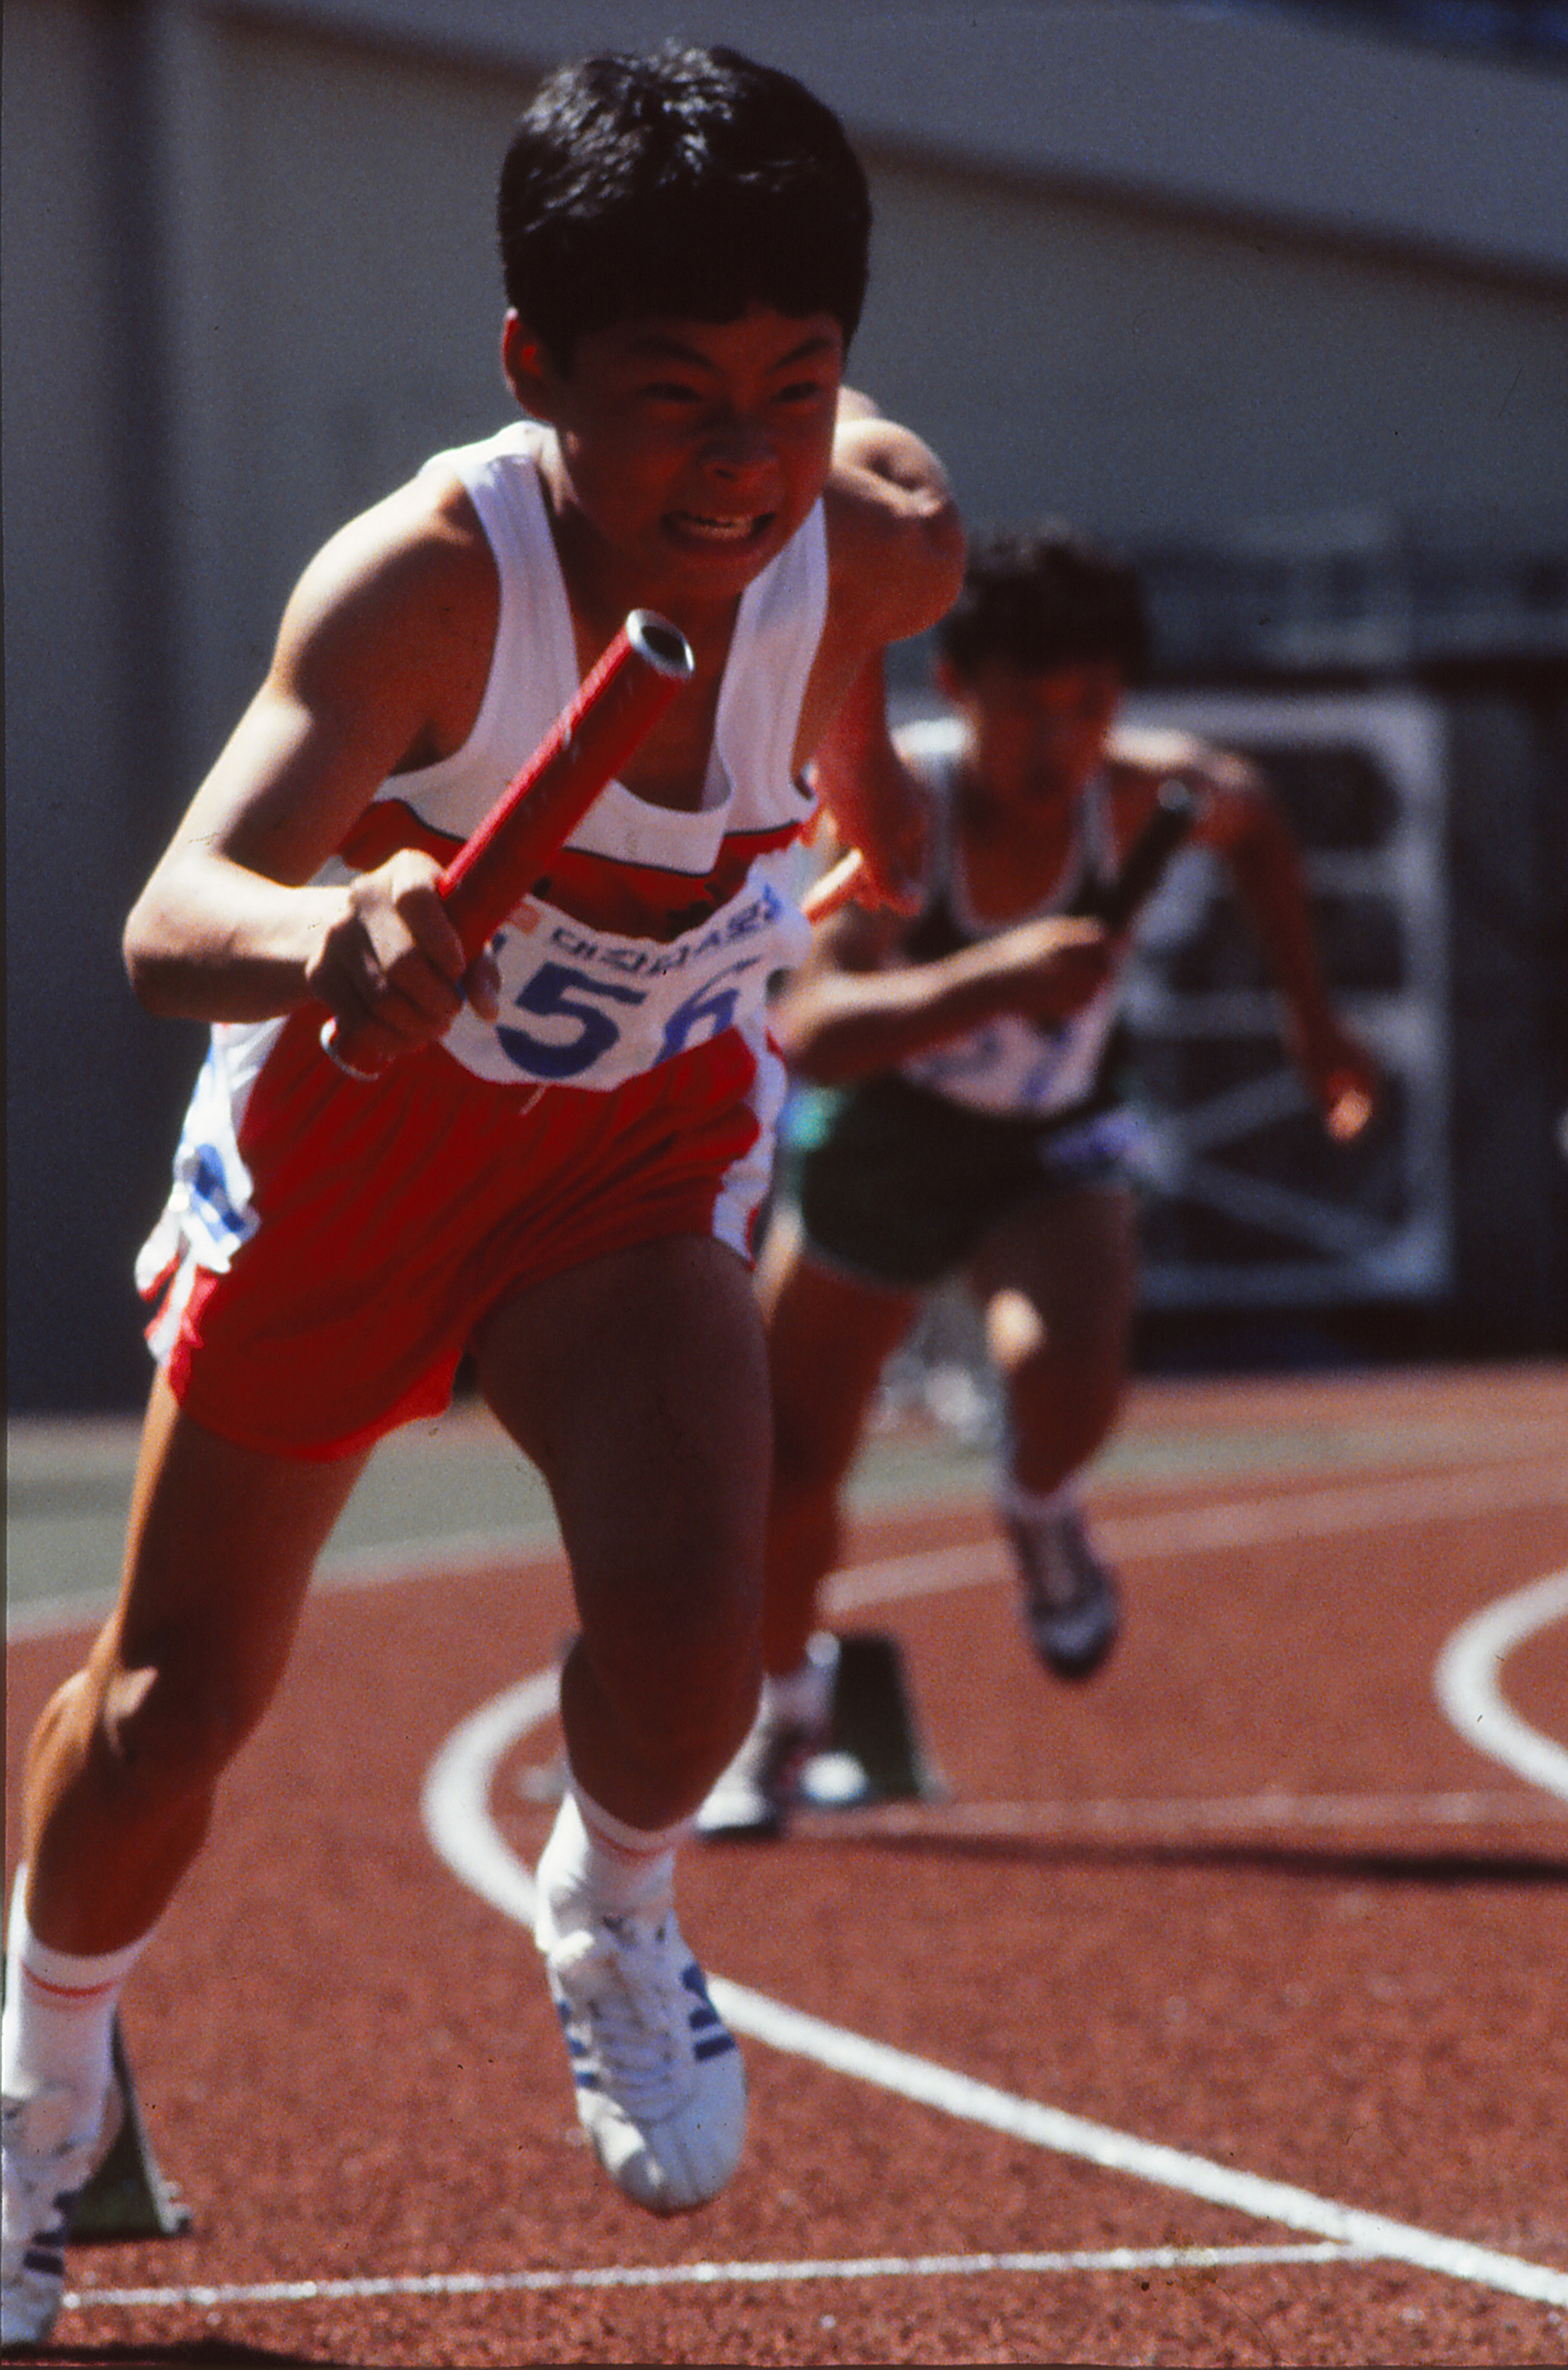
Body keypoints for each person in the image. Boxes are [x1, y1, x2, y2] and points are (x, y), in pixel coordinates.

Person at [0, 44, 964, 2344]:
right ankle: (38, 2079)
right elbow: (170, 908)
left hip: (630, 1159)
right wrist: (330, 931)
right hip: (360, 1153)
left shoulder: (877, 532)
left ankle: (618, 1896)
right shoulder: (431, 586)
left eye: (792, 388)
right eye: (671, 399)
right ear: (529, 363)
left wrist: (869, 777)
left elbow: (846, 645)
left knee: (693, 1626)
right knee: (170, 1710)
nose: (737, 464)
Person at [698, 523, 1380, 1839]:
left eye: (1088, 707)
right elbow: (812, 1029)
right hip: (888, 1135)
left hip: (1052, 1139)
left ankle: (1039, 1502)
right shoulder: (907, 810)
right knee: (788, 1475)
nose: (1056, 742)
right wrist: (995, 978)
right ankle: (785, 1716)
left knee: (1068, 1372)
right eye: (1026, 708)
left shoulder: (1146, 796)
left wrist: (1313, 1019)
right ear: (959, 691)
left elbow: (1257, 823)